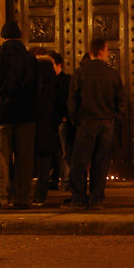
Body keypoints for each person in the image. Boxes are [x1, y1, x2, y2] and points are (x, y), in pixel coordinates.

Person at [63, 38, 125, 210]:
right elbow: (121, 100)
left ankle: (79, 198)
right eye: (106, 51)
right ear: (102, 51)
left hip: (86, 123)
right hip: (106, 123)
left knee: (80, 162)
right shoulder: (112, 74)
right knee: (101, 163)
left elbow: (72, 99)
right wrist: (116, 117)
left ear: (90, 52)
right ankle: (97, 198)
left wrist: (75, 119)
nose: (107, 54)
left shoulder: (80, 73)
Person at [0, 21, 39, 209]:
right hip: (25, 113)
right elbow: (36, 87)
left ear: (3, 37)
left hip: (1, 113)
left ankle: (3, 197)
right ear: (19, 36)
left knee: (1, 158)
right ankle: (22, 197)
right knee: (24, 158)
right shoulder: (30, 59)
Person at [31, 47, 59, 206]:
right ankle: (40, 195)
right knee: (44, 166)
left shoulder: (31, 88)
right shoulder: (54, 87)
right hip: (48, 131)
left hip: (31, 129)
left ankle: (20, 195)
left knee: (27, 163)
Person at [51, 52, 73, 192]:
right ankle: (52, 180)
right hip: (51, 121)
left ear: (59, 65)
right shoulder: (47, 80)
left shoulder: (67, 80)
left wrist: (66, 116)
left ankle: (66, 181)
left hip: (63, 121)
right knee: (51, 152)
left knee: (66, 152)